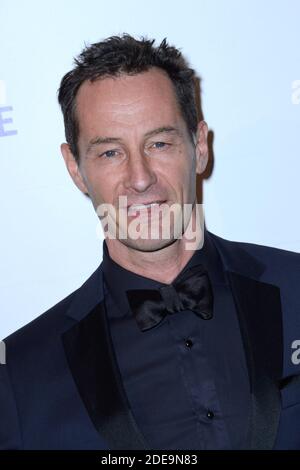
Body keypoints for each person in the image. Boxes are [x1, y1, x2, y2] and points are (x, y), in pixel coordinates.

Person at [0, 34, 300, 451]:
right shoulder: (19, 373)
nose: (140, 178)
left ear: (199, 146)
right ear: (75, 168)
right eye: (109, 153)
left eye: (159, 143)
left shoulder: (296, 287)